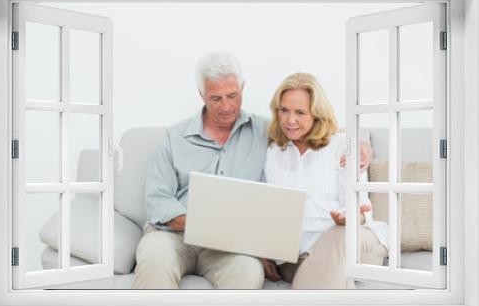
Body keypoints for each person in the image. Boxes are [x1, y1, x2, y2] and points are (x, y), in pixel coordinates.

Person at [133, 52, 373, 289]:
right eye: (216, 98)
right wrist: (208, 223)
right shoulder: (174, 137)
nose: (226, 107)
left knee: (247, 272)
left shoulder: (264, 131)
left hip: (230, 246)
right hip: (173, 237)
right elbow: (158, 201)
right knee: (155, 260)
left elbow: (310, 126)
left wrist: (361, 145)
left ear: (243, 88)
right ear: (201, 94)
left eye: (233, 96)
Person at [262, 72, 389, 289]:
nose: (290, 120)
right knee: (327, 271)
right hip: (299, 255)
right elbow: (266, 209)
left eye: (300, 112)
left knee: (339, 236)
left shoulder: (342, 146)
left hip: (354, 240)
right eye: (284, 110)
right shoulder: (273, 152)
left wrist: (351, 217)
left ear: (316, 114)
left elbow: (362, 210)